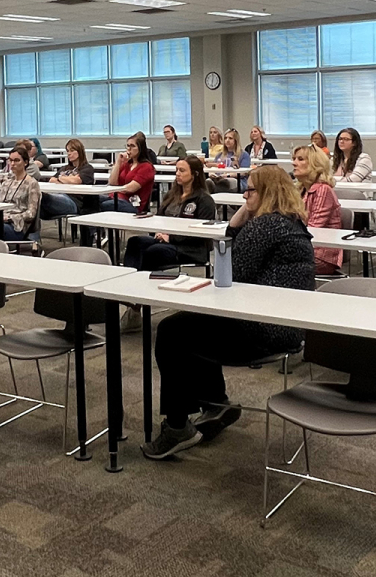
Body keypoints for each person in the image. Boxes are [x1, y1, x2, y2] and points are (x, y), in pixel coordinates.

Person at [142, 166, 315, 460]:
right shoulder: (291, 223)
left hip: (263, 330)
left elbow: (230, 271)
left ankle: (177, 426)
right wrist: (244, 214)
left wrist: (242, 221)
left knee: (173, 330)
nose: (244, 195)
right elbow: (235, 249)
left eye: (251, 190)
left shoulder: (265, 227)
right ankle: (215, 402)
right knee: (194, 321)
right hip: (285, 325)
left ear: (268, 194)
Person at [119, 156, 217, 332]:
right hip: (164, 240)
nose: (177, 174)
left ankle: (137, 304)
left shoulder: (204, 200)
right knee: (135, 242)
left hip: (189, 248)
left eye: (182, 171)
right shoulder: (172, 195)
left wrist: (170, 238)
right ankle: (131, 290)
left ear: (194, 174)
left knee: (153, 252)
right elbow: (159, 218)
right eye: (177, 170)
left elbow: (201, 234)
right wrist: (157, 230)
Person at [292, 146, 342, 275]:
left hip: (321, 254)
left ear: (315, 164)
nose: (294, 163)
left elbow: (313, 228)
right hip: (304, 246)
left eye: (300, 159)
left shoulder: (323, 190)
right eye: (294, 159)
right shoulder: (301, 189)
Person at [101, 132, 156, 213]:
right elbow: (112, 182)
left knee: (104, 205)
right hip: (115, 197)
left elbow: (130, 188)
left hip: (132, 204)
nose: (129, 149)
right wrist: (119, 162)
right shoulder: (127, 164)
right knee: (92, 199)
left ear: (140, 148)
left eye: (132, 146)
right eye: (128, 146)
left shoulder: (146, 167)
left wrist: (116, 190)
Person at [40, 138, 94, 219]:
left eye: (72, 151)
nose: (69, 153)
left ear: (79, 151)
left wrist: (61, 178)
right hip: (59, 195)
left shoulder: (87, 168)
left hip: (74, 202)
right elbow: (52, 180)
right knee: (36, 200)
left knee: (42, 197)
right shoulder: (64, 168)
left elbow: (76, 181)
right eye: (68, 151)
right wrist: (65, 178)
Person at [211, 128, 252, 192]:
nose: (227, 140)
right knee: (208, 182)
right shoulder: (219, 155)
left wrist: (227, 175)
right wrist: (212, 173)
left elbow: (244, 173)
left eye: (230, 138)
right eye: (225, 138)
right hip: (219, 179)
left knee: (225, 183)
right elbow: (214, 168)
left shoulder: (244, 155)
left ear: (235, 140)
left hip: (237, 181)